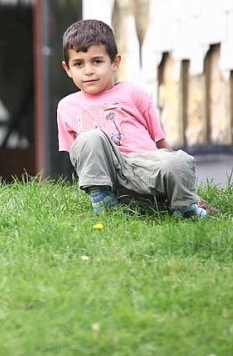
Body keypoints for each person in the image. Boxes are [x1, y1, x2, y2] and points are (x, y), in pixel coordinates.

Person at [56, 19, 211, 218]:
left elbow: (160, 142)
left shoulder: (134, 94)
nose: (88, 71)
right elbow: (77, 155)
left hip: (145, 167)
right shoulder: (67, 106)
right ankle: (103, 200)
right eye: (78, 64)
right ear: (67, 68)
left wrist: (179, 178)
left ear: (114, 62)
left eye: (97, 61)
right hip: (109, 176)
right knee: (90, 138)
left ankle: (184, 207)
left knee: (178, 161)